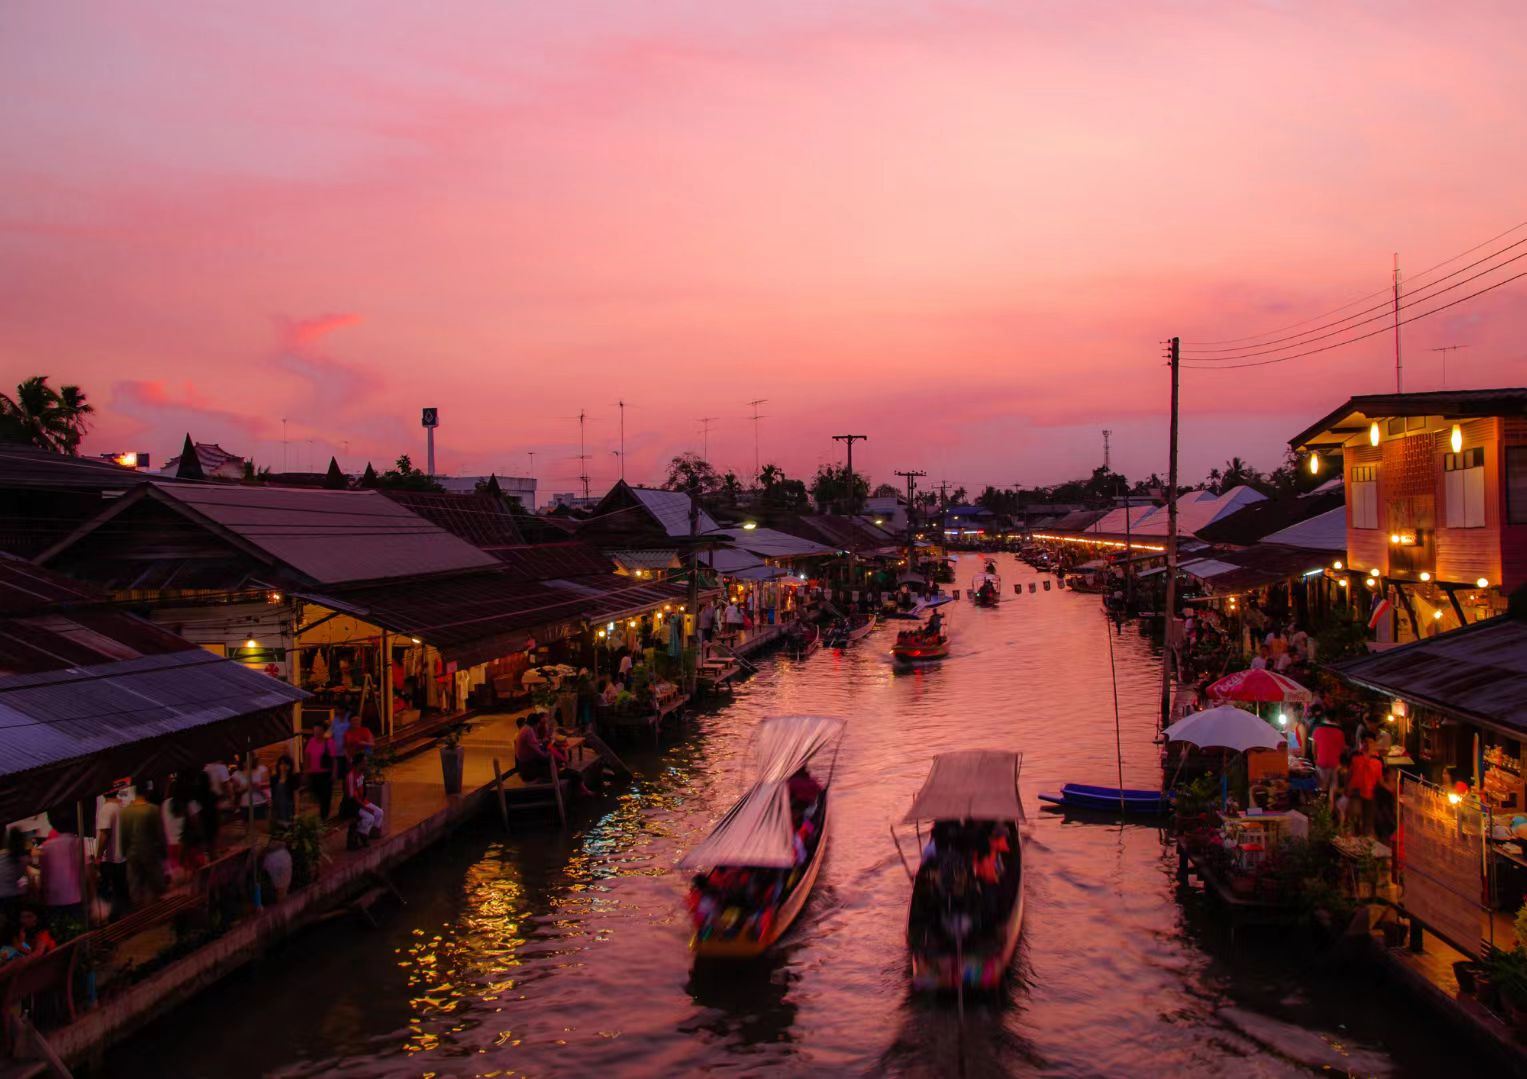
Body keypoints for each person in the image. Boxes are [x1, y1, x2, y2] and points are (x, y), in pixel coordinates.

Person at [37, 829, 84, 928]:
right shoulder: (73, 842)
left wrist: (41, 894)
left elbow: (43, 875)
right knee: (76, 928)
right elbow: (82, 869)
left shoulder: (45, 847)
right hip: (73, 897)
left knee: (57, 929)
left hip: (53, 899)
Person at [95, 784, 129, 917]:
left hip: (110, 859)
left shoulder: (107, 809)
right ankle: (123, 918)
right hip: (122, 857)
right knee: (121, 890)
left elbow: (104, 833)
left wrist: (98, 856)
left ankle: (111, 919)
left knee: (108, 892)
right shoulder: (121, 806)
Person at [341, 753, 383, 847]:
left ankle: (363, 831)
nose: (366, 764)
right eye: (365, 762)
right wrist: (365, 808)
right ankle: (361, 834)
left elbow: (362, 788)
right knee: (370, 817)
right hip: (353, 805)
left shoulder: (361, 773)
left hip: (362, 801)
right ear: (359, 763)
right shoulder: (351, 776)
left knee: (379, 813)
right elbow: (352, 797)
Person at [1347, 736, 1384, 835]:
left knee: (1367, 821)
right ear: (1362, 743)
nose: (1368, 745)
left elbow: (1380, 780)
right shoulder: (1355, 756)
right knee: (1356, 818)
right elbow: (1349, 774)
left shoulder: (1378, 761)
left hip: (1369, 793)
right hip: (1356, 791)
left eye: (1371, 742)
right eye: (1366, 742)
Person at [0, 829, 32, 927]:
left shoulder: (2, 857)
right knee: (16, 926)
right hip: (16, 898)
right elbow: (24, 881)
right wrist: (24, 889)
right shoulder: (23, 859)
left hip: (2, 898)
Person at [305, 720, 334, 820]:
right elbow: (307, 756)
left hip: (325, 774)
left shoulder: (329, 742)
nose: (317, 733)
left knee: (325, 796)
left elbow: (333, 759)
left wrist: (334, 773)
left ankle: (324, 816)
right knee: (316, 794)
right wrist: (306, 771)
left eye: (319, 730)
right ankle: (321, 814)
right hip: (314, 774)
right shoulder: (311, 741)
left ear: (323, 731)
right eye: (315, 730)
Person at [1311, 718, 1346, 795]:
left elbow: (1314, 746)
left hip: (1321, 762)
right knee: (1333, 789)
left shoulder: (1318, 730)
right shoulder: (1340, 732)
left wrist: (1315, 759)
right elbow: (1342, 749)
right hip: (1335, 763)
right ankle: (1330, 805)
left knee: (1321, 788)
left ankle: (1322, 804)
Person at [233, 753, 271, 820]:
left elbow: (267, 785)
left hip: (260, 803)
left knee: (261, 827)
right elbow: (236, 791)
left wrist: (258, 785)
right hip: (245, 806)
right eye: (246, 760)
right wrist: (245, 787)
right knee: (248, 828)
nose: (249, 762)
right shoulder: (236, 774)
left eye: (251, 759)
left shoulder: (262, 769)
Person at [269, 754, 298, 828]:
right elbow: (272, 795)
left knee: (288, 827)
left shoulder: (293, 778)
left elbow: (296, 796)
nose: (283, 766)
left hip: (288, 807)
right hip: (277, 806)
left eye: (286, 764)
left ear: (290, 766)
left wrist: (296, 813)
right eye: (281, 763)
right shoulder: (274, 779)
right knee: (277, 827)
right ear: (278, 765)